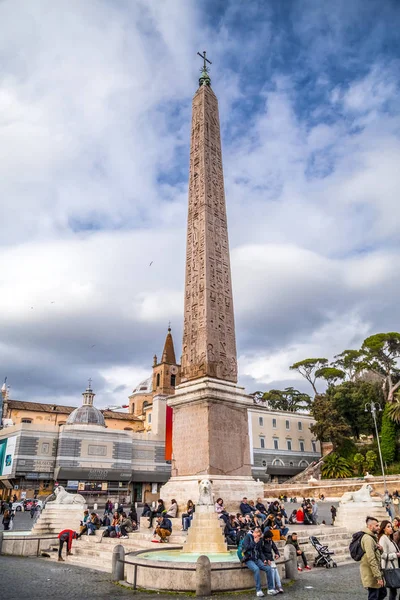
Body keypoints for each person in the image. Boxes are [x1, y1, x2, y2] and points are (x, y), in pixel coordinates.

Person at [241, 527, 277, 597]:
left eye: (259, 536)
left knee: (268, 568)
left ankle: (270, 589)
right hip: (249, 559)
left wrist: (264, 559)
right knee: (256, 569)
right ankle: (258, 590)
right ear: (254, 533)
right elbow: (246, 547)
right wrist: (254, 542)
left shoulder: (259, 540)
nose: (258, 537)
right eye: (257, 535)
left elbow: (260, 551)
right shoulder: (247, 537)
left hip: (257, 559)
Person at [359, 516, 386, 600]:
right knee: (374, 596)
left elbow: (376, 554)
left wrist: (381, 549)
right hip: (372, 575)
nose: (379, 527)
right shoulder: (368, 539)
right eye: (376, 525)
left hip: (376, 573)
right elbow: (371, 559)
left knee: (382, 593)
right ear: (370, 526)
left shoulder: (372, 537)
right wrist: (378, 577)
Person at [378, 520, 400, 600]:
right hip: (390, 568)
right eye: (388, 527)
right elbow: (383, 555)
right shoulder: (383, 539)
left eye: (391, 526)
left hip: (394, 567)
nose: (391, 528)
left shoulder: (389, 538)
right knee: (393, 591)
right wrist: (396, 555)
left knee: (393, 591)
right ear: (383, 529)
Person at [262, 530, 283, 594]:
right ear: (266, 537)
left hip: (271, 558)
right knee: (272, 571)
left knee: (275, 571)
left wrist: (277, 554)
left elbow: (275, 548)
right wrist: (266, 559)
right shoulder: (262, 542)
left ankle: (279, 586)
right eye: (269, 538)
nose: (270, 539)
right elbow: (261, 552)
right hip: (266, 559)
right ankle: (272, 587)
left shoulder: (270, 541)